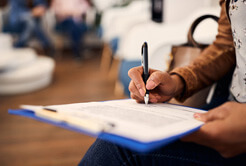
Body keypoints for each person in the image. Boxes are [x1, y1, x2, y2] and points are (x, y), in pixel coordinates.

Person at [79, 0, 246, 165]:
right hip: (227, 107)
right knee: (122, 137)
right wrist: (177, 81)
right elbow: (227, 45)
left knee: (118, 149)